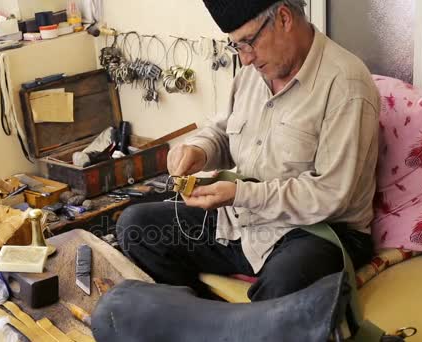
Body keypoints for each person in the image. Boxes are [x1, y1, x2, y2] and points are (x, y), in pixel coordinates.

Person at [116, 0, 379, 301]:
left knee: (285, 283)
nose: (245, 59)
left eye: (248, 43)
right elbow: (222, 133)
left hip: (319, 230)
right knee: (135, 227)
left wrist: (239, 194)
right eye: (236, 47)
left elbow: (330, 195)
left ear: (283, 18)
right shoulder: (252, 73)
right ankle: (209, 319)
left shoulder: (346, 83)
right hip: (243, 220)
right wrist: (198, 151)